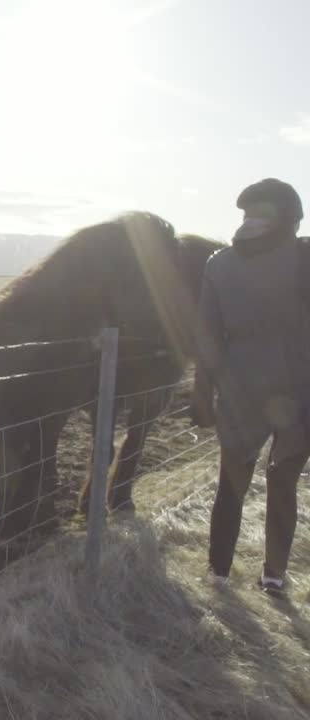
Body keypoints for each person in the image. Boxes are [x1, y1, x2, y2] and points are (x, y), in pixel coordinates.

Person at [194, 177, 309, 597]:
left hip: (240, 386)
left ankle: (218, 572)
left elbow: (206, 337)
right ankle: (274, 576)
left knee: (232, 482)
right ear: (293, 218)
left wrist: (202, 393)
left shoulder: (219, 263)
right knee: (283, 483)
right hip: (301, 388)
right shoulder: (305, 256)